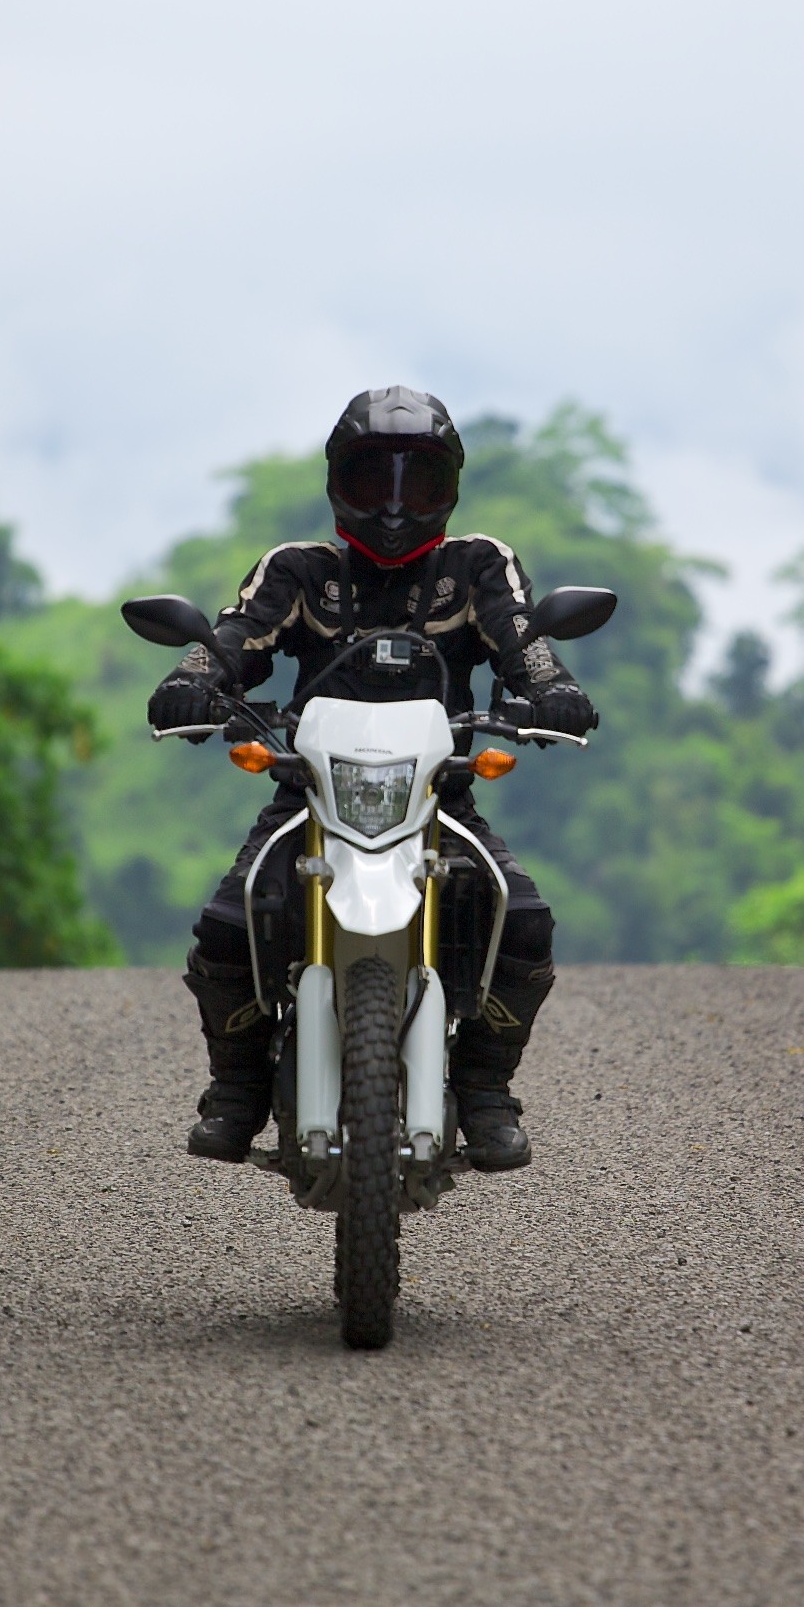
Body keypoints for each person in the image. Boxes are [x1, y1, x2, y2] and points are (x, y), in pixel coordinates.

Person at [147, 387, 599, 1171]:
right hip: (309, 791)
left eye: (416, 482)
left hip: (437, 791)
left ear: (449, 488)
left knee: (520, 920)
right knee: (229, 922)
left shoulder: (477, 565)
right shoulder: (296, 570)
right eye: (371, 479)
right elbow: (233, 635)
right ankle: (236, 1089)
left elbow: (523, 642)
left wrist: (551, 690)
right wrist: (193, 678)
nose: (393, 505)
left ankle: (487, 1091)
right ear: (335, 485)